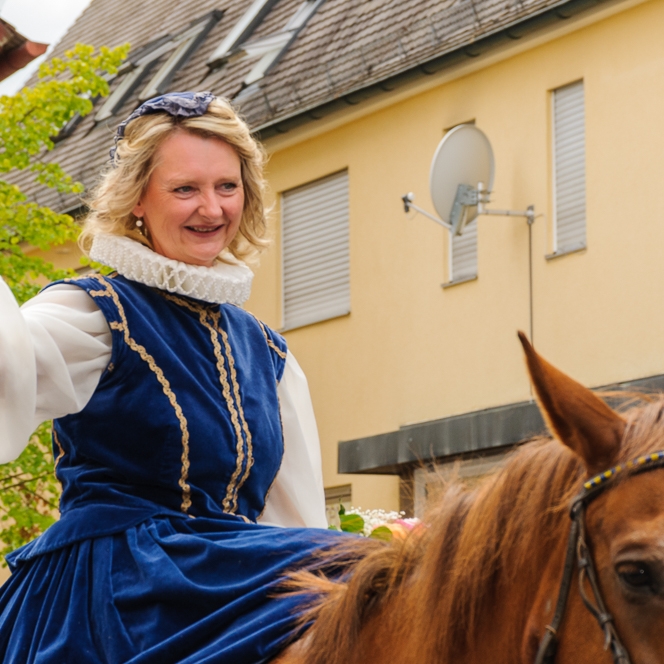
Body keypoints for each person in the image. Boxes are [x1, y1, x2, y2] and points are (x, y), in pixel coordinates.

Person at [0, 91, 341, 663]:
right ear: (137, 199)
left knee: (356, 575)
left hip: (228, 578)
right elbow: (9, 362)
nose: (212, 208)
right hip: (116, 589)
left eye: (227, 186)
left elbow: (296, 518)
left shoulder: (269, 354)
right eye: (185, 189)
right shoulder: (95, 314)